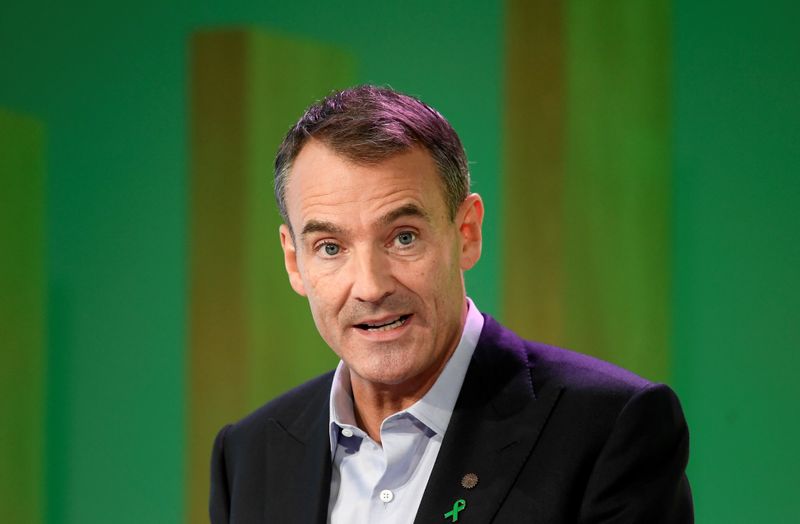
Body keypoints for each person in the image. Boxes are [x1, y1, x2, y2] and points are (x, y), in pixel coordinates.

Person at [209, 85, 693, 523]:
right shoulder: (250, 457)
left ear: (467, 233)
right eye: (330, 247)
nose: (371, 287)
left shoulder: (608, 430)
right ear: (295, 262)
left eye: (402, 237)